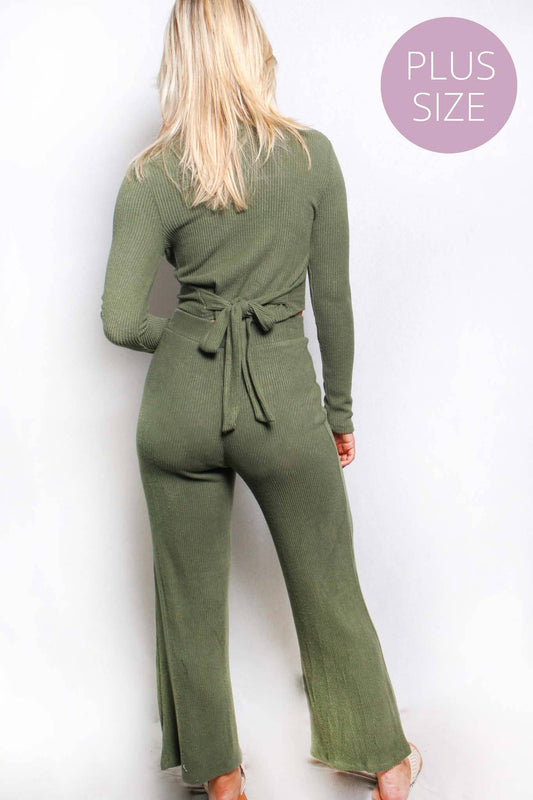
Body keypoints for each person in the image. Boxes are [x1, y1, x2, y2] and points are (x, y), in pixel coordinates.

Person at [99, 1, 423, 799]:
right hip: (281, 405)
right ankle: (386, 766)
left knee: (188, 604)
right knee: (328, 584)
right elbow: (333, 303)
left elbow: (120, 320)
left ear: (180, 61)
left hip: (177, 414)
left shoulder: (151, 176)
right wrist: (338, 413)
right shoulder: (310, 157)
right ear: (254, 51)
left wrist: (191, 338)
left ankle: (221, 781)